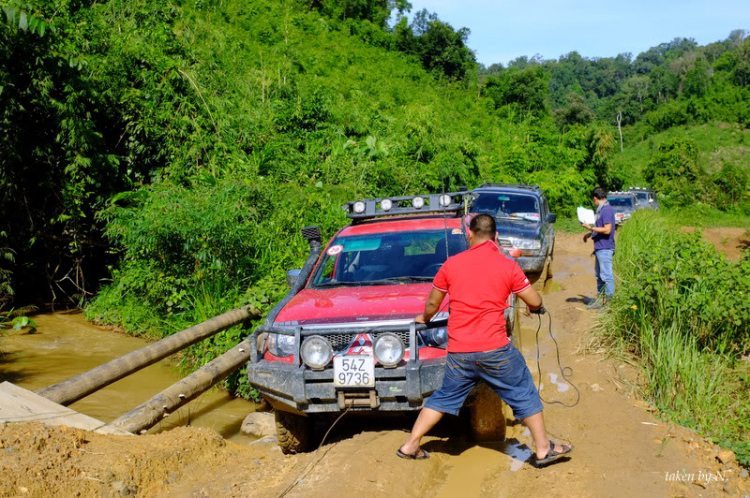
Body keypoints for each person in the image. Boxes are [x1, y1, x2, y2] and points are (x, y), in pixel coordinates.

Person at [397, 214, 573, 467]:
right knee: (523, 390)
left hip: (459, 353)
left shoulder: (451, 264)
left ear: (469, 234)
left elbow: (433, 304)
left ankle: (411, 444)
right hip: (495, 350)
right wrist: (534, 306)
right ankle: (544, 448)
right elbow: (535, 301)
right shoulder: (508, 265)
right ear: (497, 236)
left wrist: (424, 318)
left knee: (444, 397)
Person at [581, 187, 615, 308]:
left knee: (606, 276)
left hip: (605, 248)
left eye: (593, 200)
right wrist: (590, 234)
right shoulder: (603, 209)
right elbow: (601, 228)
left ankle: (610, 305)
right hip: (600, 248)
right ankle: (600, 302)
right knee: (599, 277)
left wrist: (590, 228)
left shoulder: (606, 210)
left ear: (595, 198)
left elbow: (607, 230)